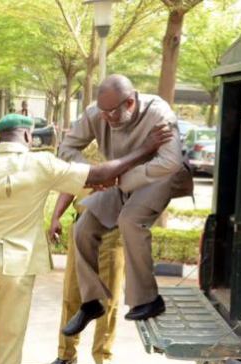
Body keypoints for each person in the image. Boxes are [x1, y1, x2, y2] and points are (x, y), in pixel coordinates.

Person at [0, 114, 174, 364]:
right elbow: (99, 174)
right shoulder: (41, 164)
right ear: (28, 136)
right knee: (8, 344)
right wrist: (146, 149)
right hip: (16, 269)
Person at [59, 74, 193, 337]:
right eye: (102, 111)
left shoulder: (158, 113)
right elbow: (66, 149)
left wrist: (120, 176)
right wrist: (95, 173)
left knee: (130, 220)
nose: (106, 118)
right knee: (83, 227)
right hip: (119, 177)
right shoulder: (95, 113)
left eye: (112, 112)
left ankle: (148, 299)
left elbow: (170, 162)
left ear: (130, 102)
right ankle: (92, 302)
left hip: (158, 177)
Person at [47, 195, 123, 364]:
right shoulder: (80, 164)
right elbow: (69, 188)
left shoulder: (126, 165)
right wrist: (56, 216)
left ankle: (103, 357)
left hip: (113, 230)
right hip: (81, 227)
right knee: (72, 293)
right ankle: (66, 353)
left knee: (108, 298)